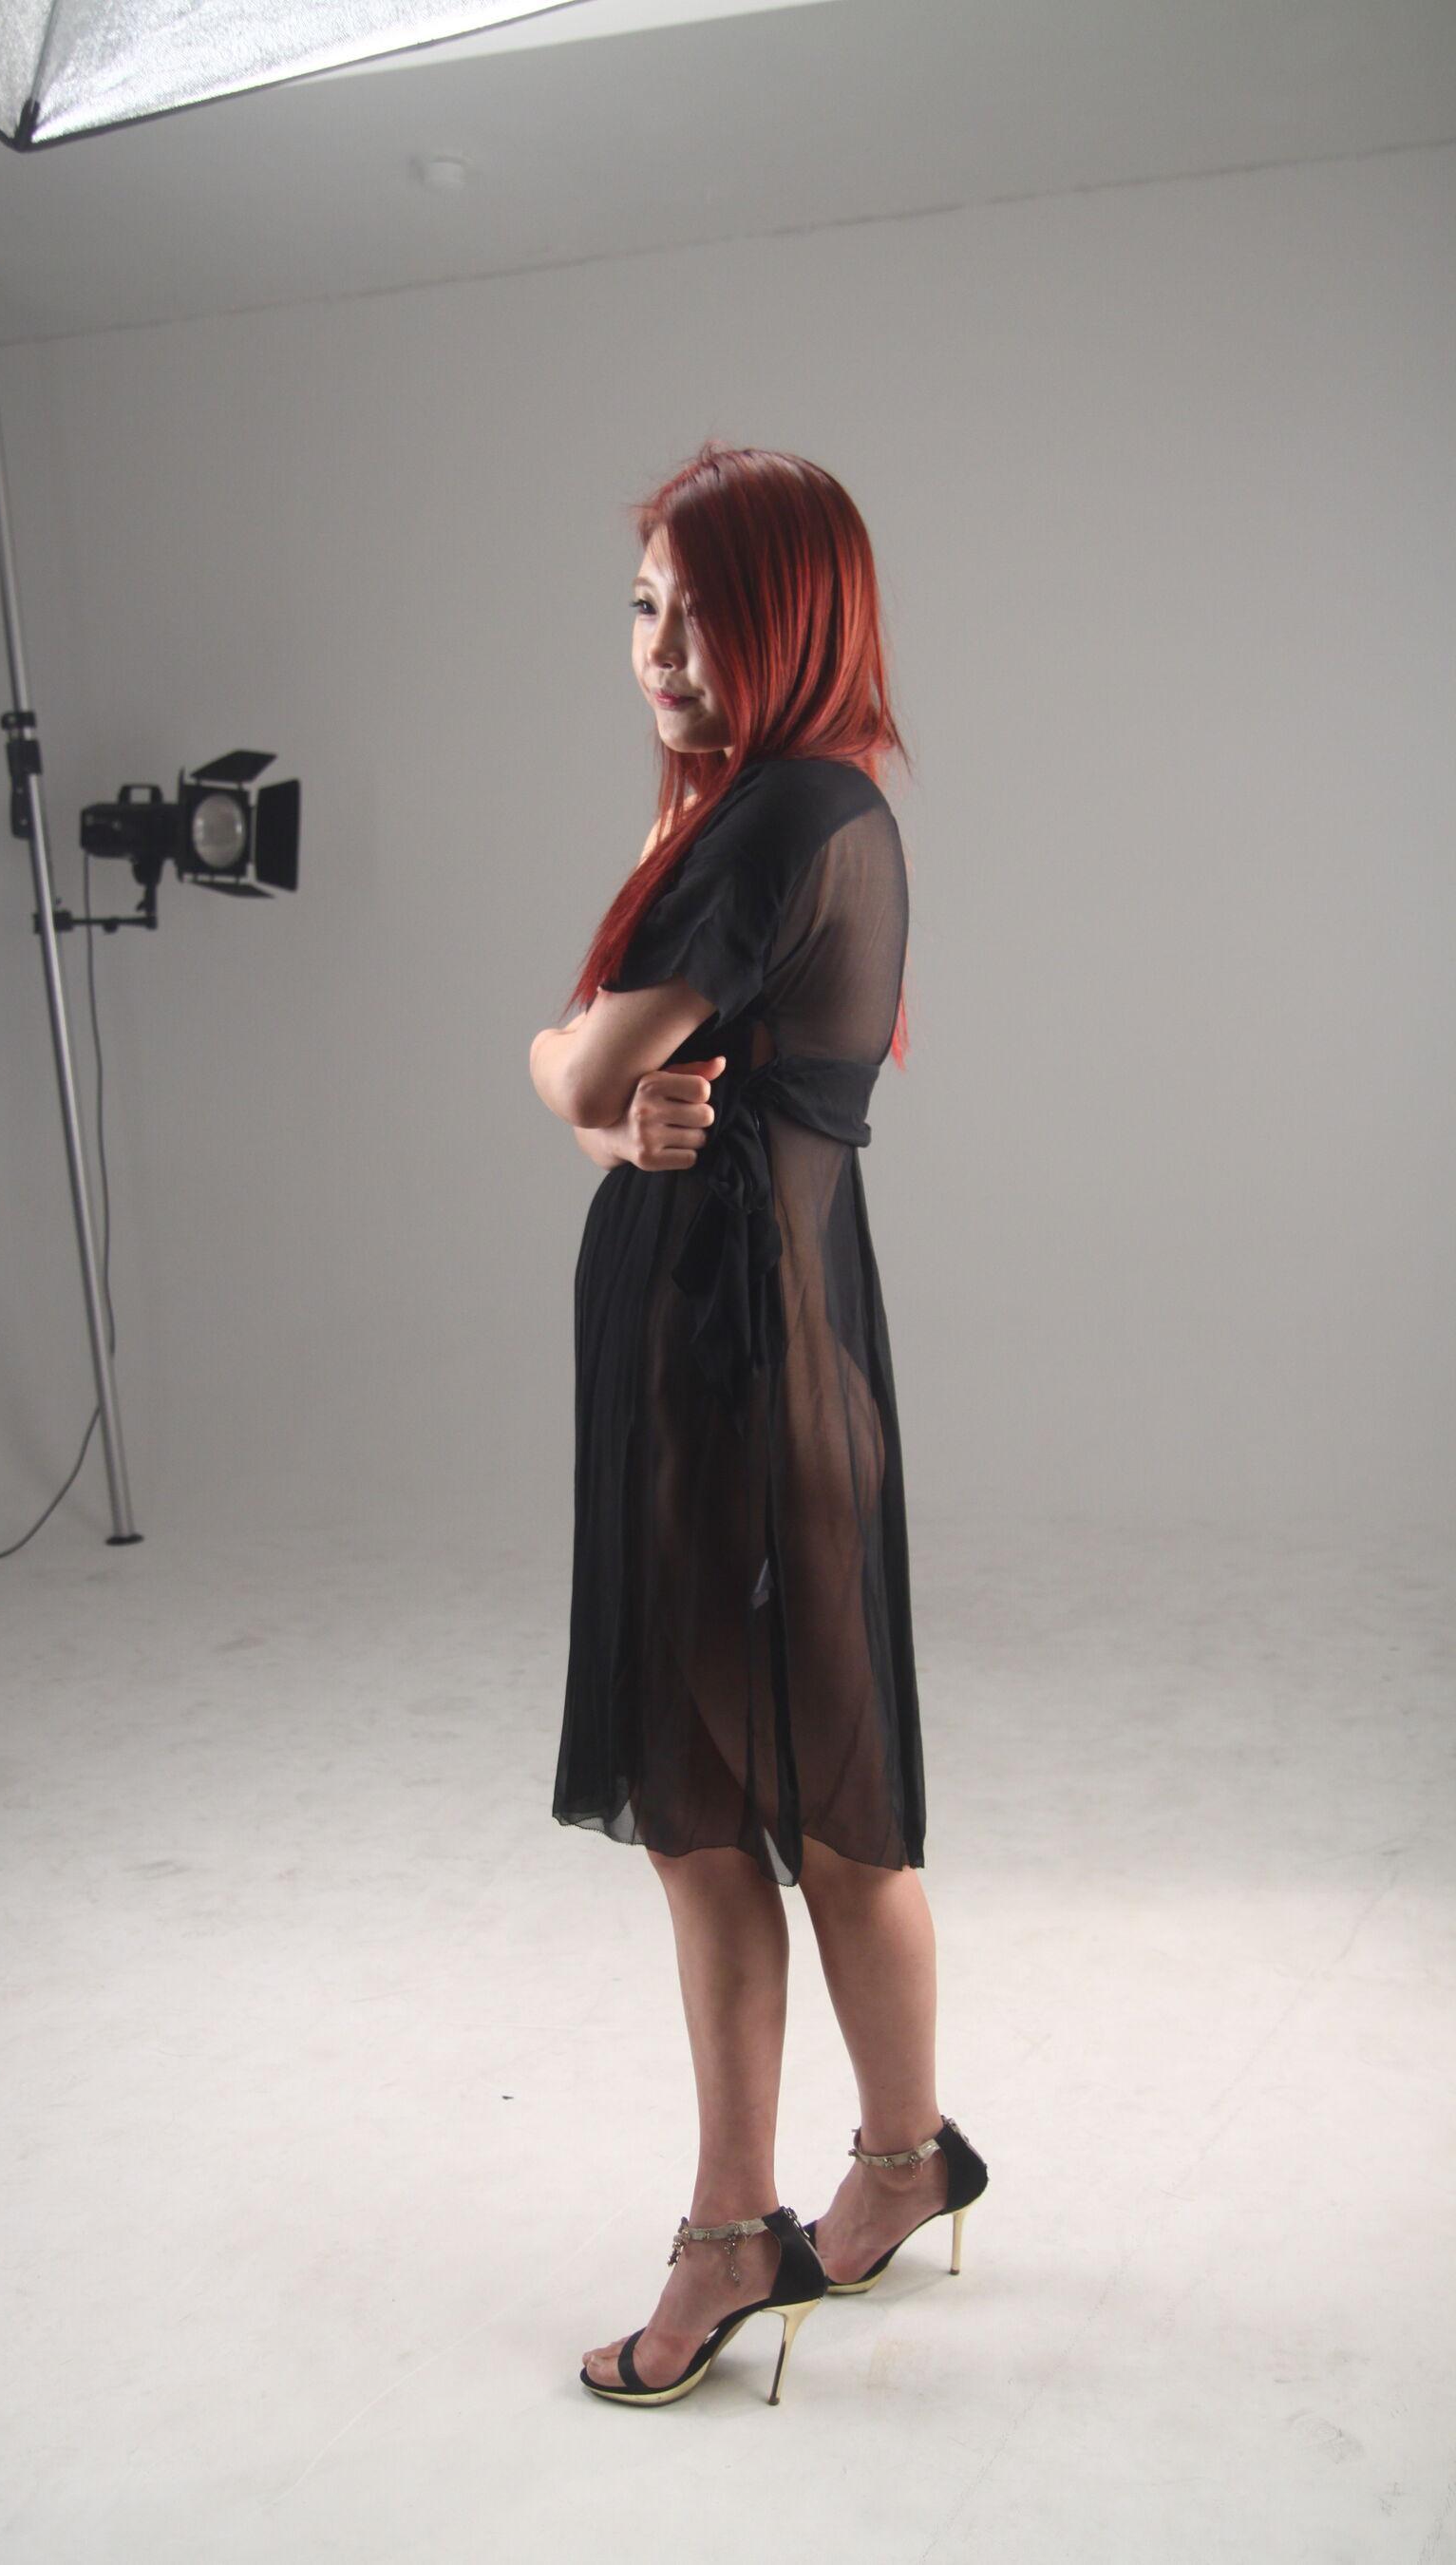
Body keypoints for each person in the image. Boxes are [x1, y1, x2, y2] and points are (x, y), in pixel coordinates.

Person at [527, 443, 988, 2409]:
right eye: (644, 607)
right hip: (770, 1364)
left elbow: (580, 1061)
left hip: (731, 1377)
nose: (664, 649)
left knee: (715, 1827)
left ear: (797, 617)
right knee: (823, 1813)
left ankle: (734, 2233)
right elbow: (619, 1095)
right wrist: (598, 1098)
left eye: (704, 612)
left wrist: (574, 1078)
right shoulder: (805, 806)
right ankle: (904, 2158)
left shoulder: (780, 812)